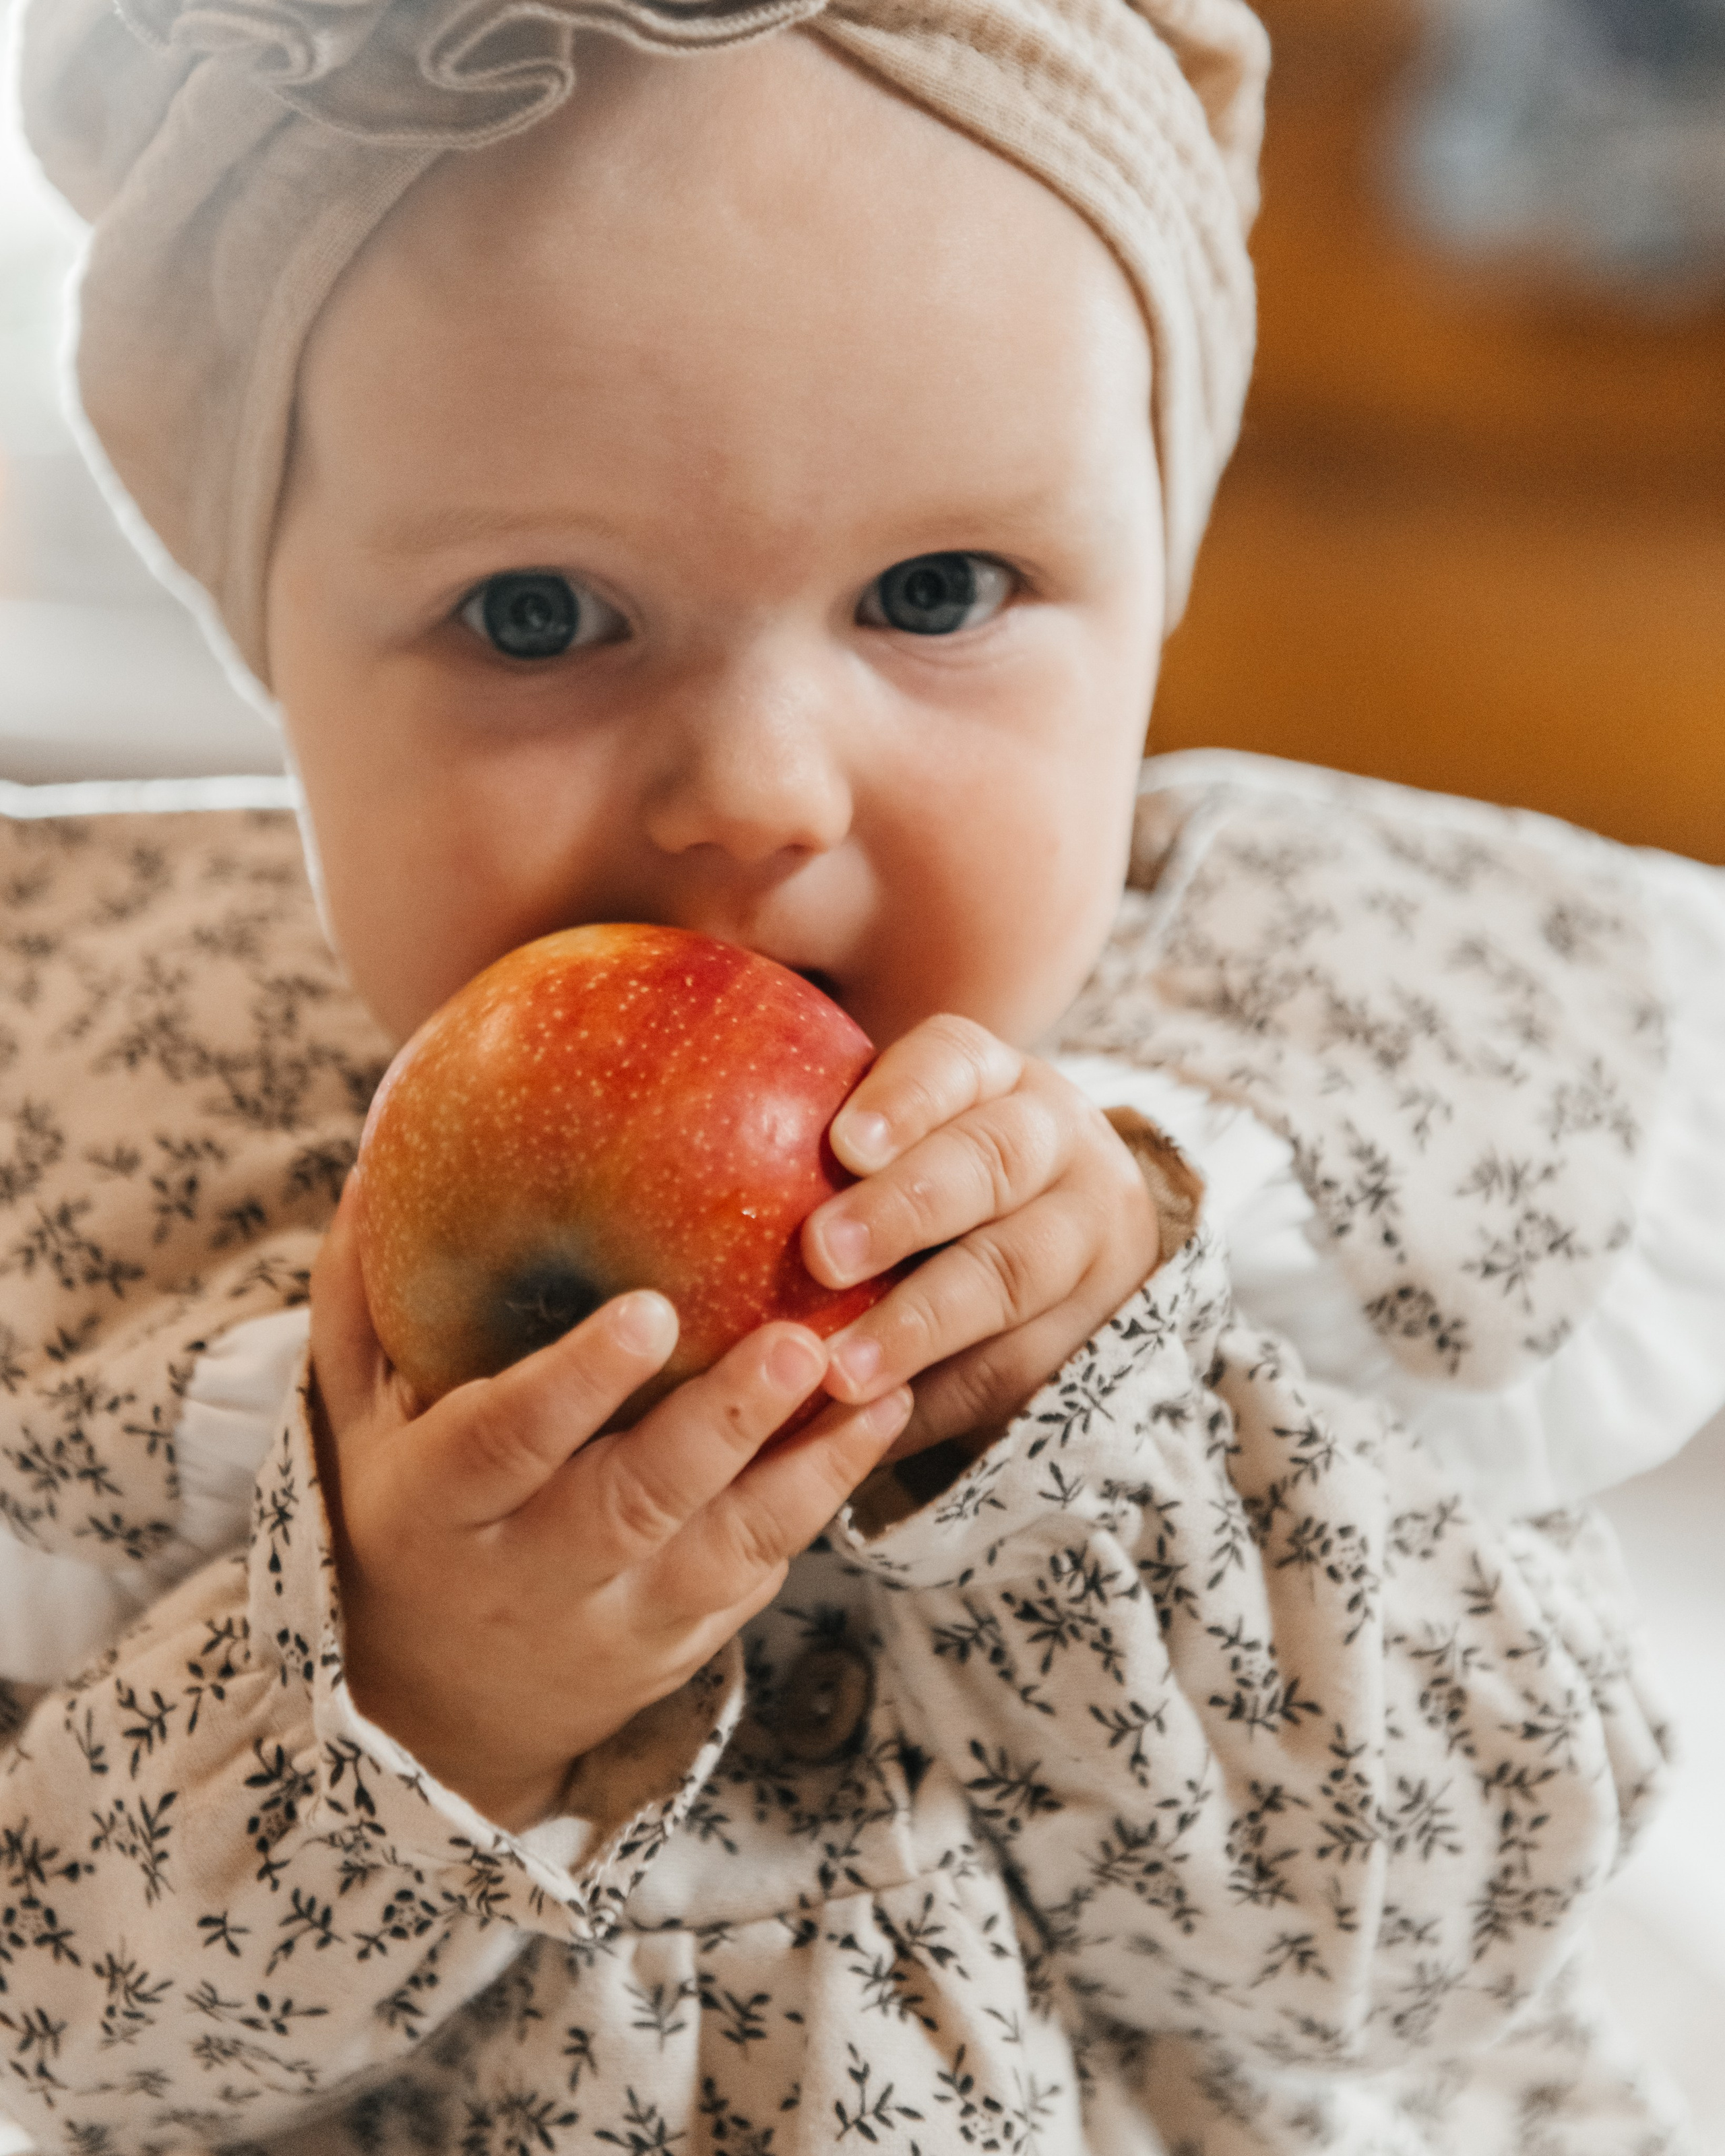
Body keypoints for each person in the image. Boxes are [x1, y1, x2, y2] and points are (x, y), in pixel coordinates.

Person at [3, 0, 1724, 2148]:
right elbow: (54, 2033)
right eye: (535, 616)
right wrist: (417, 1694)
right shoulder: (122, 1207)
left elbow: (1446, 1928)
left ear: (1154, 601)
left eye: (934, 590)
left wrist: (1105, 1429)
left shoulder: (1301, 1163)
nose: (753, 788)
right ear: (274, 652)